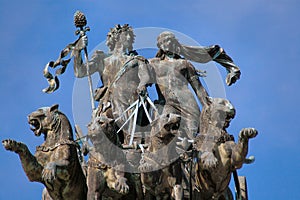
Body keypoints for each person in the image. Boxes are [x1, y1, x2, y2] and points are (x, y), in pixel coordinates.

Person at [73, 24, 151, 199]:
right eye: (127, 35)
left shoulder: (137, 60)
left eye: (132, 36)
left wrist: (142, 84)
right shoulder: (103, 59)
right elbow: (80, 72)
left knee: (131, 131)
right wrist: (78, 51)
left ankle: (129, 154)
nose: (131, 39)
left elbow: (146, 76)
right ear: (116, 37)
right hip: (108, 104)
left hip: (131, 103)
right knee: (101, 127)